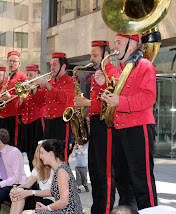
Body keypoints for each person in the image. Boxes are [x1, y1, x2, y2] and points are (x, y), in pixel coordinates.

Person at [100, 34, 158, 210]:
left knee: (142, 181)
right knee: (123, 180)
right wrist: (104, 87)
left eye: (119, 42)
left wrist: (120, 101)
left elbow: (149, 97)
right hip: (119, 129)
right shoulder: (119, 70)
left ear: (131, 46)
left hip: (138, 128)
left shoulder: (144, 65)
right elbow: (116, 97)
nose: (115, 46)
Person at [74, 40, 117, 213]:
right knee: (95, 170)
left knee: (106, 173)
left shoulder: (112, 72)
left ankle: (105, 209)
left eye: (95, 55)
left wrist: (87, 102)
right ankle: (97, 208)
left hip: (107, 125)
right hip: (97, 126)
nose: (91, 59)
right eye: (91, 55)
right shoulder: (99, 72)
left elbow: (110, 103)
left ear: (106, 55)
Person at [33, 52, 75, 162]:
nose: (51, 68)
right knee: (50, 156)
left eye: (54, 65)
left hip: (62, 121)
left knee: (61, 155)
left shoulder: (70, 81)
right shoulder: (51, 82)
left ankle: (65, 179)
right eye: (51, 65)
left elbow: (63, 98)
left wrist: (47, 85)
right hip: (49, 122)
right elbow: (38, 101)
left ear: (63, 66)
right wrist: (34, 88)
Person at [22, 139, 83, 214]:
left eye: (42, 153)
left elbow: (64, 201)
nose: (40, 156)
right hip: (64, 209)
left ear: (50, 153)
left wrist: (46, 208)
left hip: (69, 211)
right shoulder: (59, 168)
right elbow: (53, 192)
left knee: (28, 213)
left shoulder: (61, 171)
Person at [9, 142, 55, 214]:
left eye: (43, 153)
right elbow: (27, 184)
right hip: (41, 198)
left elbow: (53, 192)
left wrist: (31, 192)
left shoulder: (55, 169)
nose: (41, 156)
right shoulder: (38, 169)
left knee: (20, 195)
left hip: (53, 201)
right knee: (19, 192)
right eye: (40, 153)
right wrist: (15, 190)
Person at [17, 64, 45, 170]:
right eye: (27, 75)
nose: (28, 78)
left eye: (31, 75)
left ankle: (41, 179)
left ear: (37, 74)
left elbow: (39, 101)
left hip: (37, 122)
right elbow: (19, 110)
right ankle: (33, 180)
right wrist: (20, 97)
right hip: (26, 123)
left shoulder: (42, 88)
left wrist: (34, 88)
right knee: (29, 153)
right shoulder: (25, 90)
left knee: (37, 152)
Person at [0, 51, 27, 147]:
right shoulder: (7, 77)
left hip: (15, 114)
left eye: (14, 61)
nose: (11, 63)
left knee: (13, 143)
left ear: (19, 63)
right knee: (4, 144)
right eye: (10, 61)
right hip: (4, 114)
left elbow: (25, 96)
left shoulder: (22, 76)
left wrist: (11, 97)